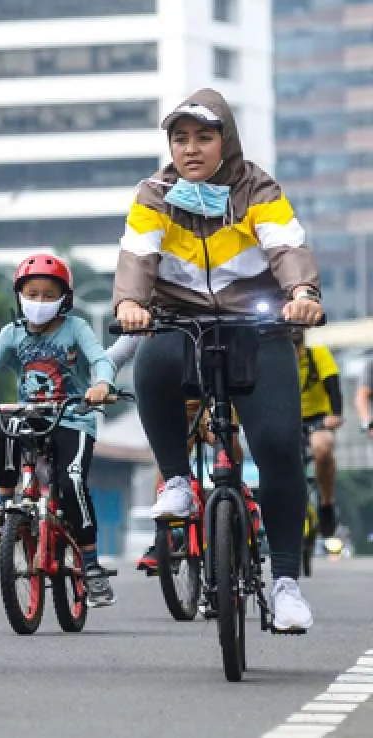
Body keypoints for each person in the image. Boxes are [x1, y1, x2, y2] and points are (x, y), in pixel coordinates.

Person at [113, 88, 324, 632]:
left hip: (256, 326)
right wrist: (131, 303)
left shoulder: (259, 188)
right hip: (181, 320)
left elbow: (287, 246)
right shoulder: (155, 193)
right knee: (153, 363)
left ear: (225, 140)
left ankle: (284, 584)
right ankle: (178, 481)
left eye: (204, 137)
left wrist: (301, 293)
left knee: (279, 446)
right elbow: (138, 253)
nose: (191, 149)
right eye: (180, 138)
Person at [0, 254, 118, 607]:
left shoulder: (77, 328)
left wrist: (101, 384)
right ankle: (2, 506)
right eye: (32, 294)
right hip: (31, 414)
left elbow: (100, 360)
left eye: (48, 295)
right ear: (19, 296)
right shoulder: (11, 333)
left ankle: (90, 566)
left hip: (73, 417)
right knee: (10, 424)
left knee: (72, 480)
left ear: (64, 298)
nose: (40, 302)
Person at [108, 335, 246, 573]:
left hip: (216, 395)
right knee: (168, 460)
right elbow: (117, 352)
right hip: (176, 401)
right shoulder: (157, 309)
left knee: (226, 439)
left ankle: (237, 494)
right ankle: (166, 536)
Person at [294, 335, 343, 536]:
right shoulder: (272, 358)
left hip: (318, 419)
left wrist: (335, 415)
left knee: (323, 447)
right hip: (287, 419)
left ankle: (326, 503)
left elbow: (334, 387)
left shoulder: (317, 354)